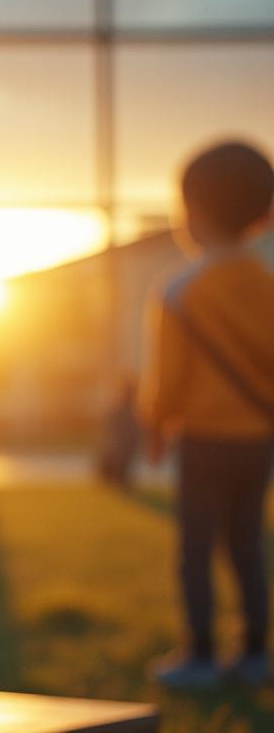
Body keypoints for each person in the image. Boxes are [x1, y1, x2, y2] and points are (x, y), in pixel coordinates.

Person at [140, 141, 274, 689]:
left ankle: (198, 656)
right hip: (259, 438)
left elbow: (168, 382)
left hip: (202, 441)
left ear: (191, 212)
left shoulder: (179, 291)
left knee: (194, 549)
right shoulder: (268, 287)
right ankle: (255, 655)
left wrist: (155, 423)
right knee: (248, 544)